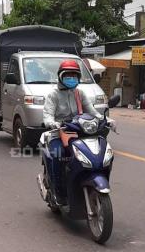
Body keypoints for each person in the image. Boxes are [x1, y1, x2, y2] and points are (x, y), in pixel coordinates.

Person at [42, 60, 105, 200]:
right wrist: (51, 123)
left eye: (74, 75)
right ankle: (58, 192)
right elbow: (47, 114)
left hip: (79, 133)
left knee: (94, 154)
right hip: (58, 134)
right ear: (61, 76)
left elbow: (92, 111)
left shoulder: (79, 93)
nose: (71, 78)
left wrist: (105, 119)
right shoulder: (54, 95)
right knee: (58, 156)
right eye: (68, 75)